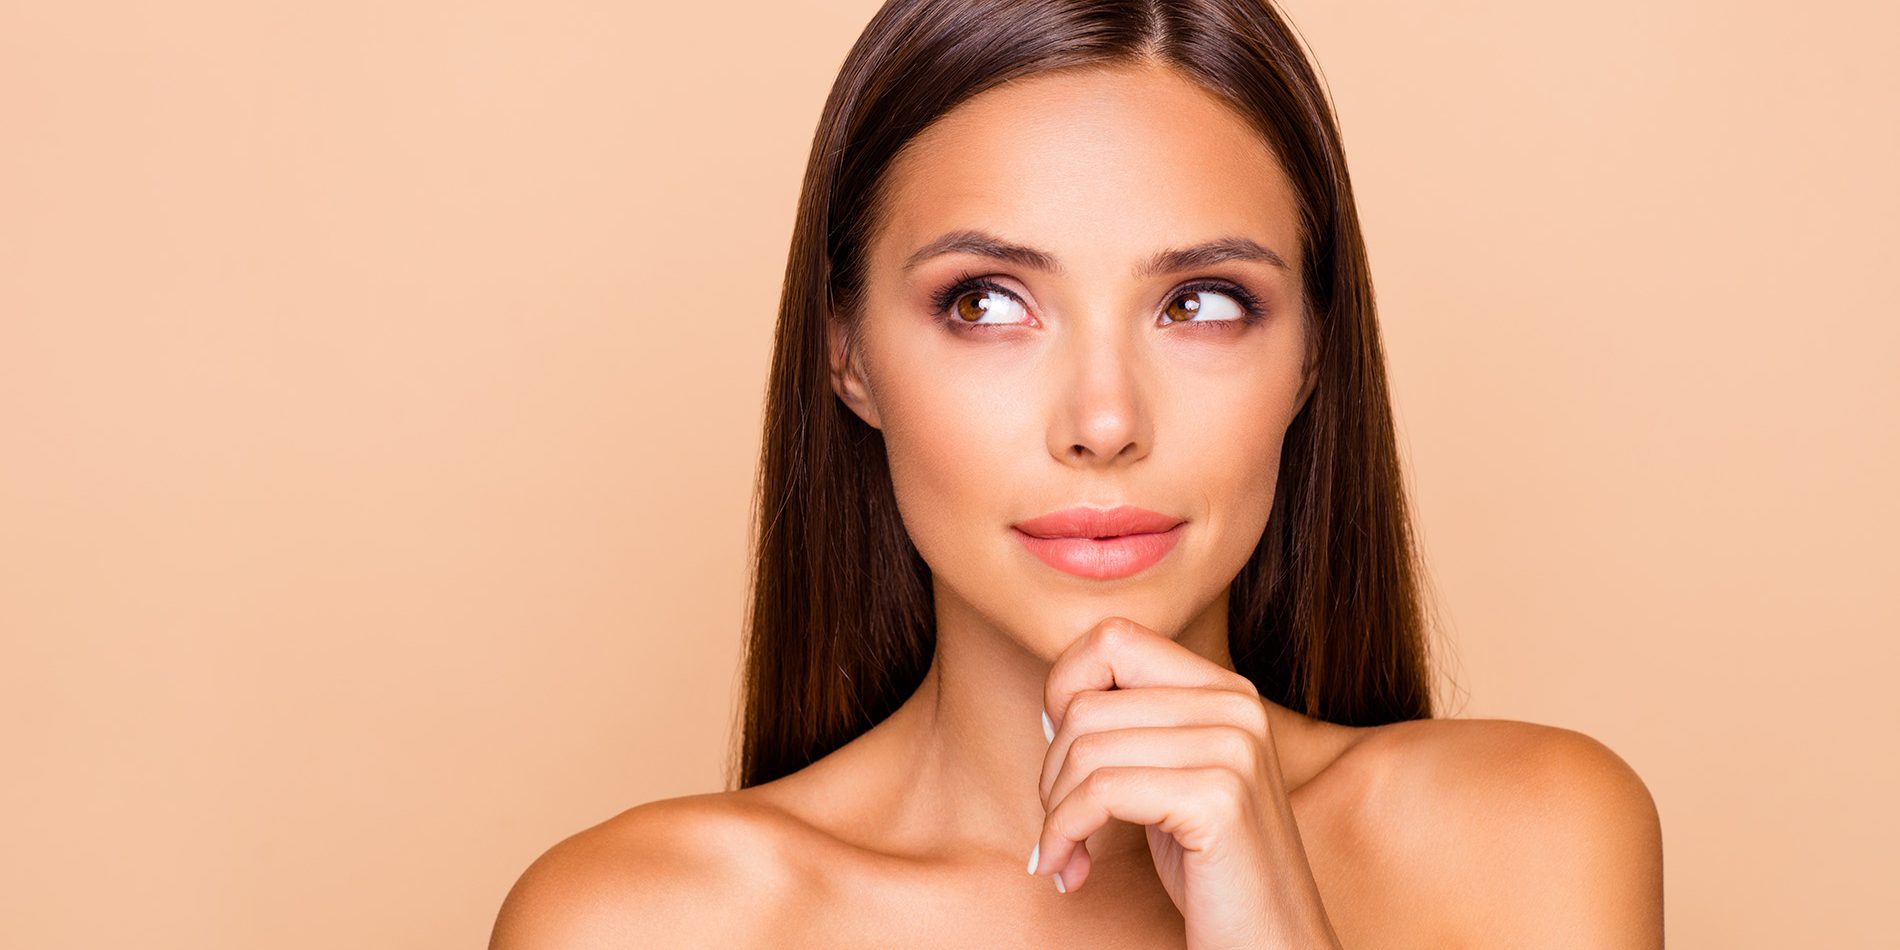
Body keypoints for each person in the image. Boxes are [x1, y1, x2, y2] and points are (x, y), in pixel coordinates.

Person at [490, 1, 1664, 946]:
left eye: (1201, 303)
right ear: (845, 352)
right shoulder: (641, 921)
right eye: (985, 303)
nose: (1103, 421)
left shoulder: (1528, 836)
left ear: (1313, 352)